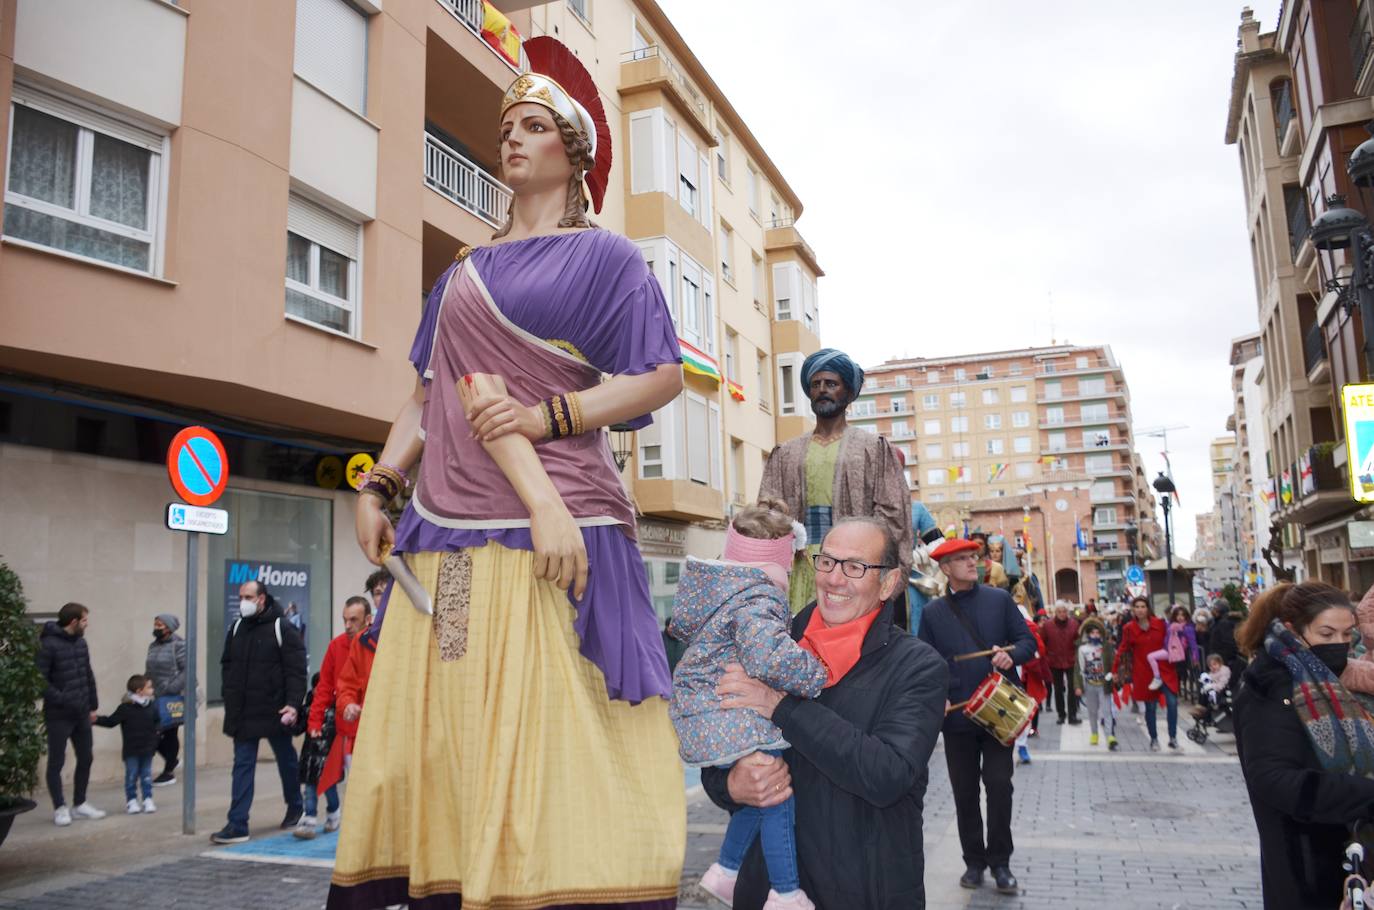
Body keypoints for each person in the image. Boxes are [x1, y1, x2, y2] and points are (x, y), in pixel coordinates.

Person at [330, 37, 686, 909]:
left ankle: (568, 885)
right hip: (449, 527)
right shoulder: (461, 272)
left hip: (562, 519)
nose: (511, 139)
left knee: (561, 722)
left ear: (573, 150)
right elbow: (424, 395)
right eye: (506, 127)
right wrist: (378, 484)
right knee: (449, 718)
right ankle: (456, 882)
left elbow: (661, 374)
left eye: (533, 125)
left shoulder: (608, 259)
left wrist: (546, 417)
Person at [703, 518, 948, 909]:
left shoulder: (917, 666)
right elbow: (713, 743)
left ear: (888, 582)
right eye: (827, 562)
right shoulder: (764, 642)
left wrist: (782, 707)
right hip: (765, 890)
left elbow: (887, 773)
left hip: (865, 891)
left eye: (855, 567)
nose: (835, 579)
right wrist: (730, 784)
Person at [672, 502, 826, 910]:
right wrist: (814, 673)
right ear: (778, 565)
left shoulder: (719, 593)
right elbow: (768, 658)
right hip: (732, 715)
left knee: (758, 797)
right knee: (776, 794)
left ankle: (724, 872)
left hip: (705, 717)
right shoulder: (758, 597)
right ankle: (786, 892)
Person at [1233, 581, 1374, 909]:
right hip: (1307, 866)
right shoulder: (1271, 687)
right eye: (1326, 634)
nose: (1338, 644)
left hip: (1350, 859)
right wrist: (1366, 795)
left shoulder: (1334, 682)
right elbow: (1274, 778)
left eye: (1346, 635)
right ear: (1293, 630)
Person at [918, 538, 1036, 895]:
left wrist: (1010, 655)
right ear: (946, 568)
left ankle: (1001, 862)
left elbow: (1027, 644)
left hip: (999, 711)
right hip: (957, 718)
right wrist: (934, 699)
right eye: (963, 559)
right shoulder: (933, 613)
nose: (973, 562)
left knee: (999, 786)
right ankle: (974, 861)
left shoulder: (1000, 600)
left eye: (974, 557)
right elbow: (927, 664)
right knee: (964, 792)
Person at [758, 348, 912, 616]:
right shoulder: (786, 453)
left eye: (831, 383)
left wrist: (861, 557)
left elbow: (893, 513)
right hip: (799, 567)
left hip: (855, 569)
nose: (822, 390)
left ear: (848, 392)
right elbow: (767, 513)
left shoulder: (873, 448)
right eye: (816, 384)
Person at [210, 580, 308, 845]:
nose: (243, 601)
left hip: (274, 709)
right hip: (243, 711)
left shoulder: (282, 627)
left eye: (248, 596)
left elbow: (296, 670)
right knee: (242, 764)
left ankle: (296, 806)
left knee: (286, 759)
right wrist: (229, 694)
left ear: (262, 599)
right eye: (241, 596)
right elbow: (227, 665)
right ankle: (237, 823)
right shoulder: (238, 627)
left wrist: (293, 703)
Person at [296, 596, 370, 838]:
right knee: (349, 782)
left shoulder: (378, 645)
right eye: (345, 620)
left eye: (353, 620)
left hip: (369, 730)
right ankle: (348, 826)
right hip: (346, 729)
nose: (348, 625)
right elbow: (325, 687)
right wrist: (314, 721)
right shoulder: (337, 646)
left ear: (367, 620)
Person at [37, 602, 105, 826]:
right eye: (84, 620)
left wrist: (92, 704)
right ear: (74, 621)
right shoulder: (47, 645)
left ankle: (80, 803)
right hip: (58, 714)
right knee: (56, 762)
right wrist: (63, 698)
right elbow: (39, 680)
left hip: (82, 712)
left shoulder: (81, 643)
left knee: (86, 757)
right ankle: (60, 807)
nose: (87, 624)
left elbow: (88, 674)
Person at [1113, 596, 1179, 751]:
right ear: (1133, 610)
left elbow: (1172, 641)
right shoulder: (1129, 628)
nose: (1140, 609)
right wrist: (1115, 669)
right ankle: (1154, 739)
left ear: (1148, 608)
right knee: (1150, 708)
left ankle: (1173, 737)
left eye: (1143, 606)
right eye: (1137, 607)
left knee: (1172, 703)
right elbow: (1123, 649)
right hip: (1143, 672)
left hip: (1165, 670)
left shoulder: (1160, 624)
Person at [95, 675, 160, 815]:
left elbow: (157, 722)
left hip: (147, 748)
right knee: (131, 775)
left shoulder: (152, 706)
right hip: (132, 749)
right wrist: (95, 720)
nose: (152, 689)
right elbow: (111, 721)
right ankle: (131, 801)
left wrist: (156, 738)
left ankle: (148, 799)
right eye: (149, 687)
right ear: (139, 691)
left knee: (146, 775)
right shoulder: (125, 708)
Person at [293, 672, 337, 840]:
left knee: (329, 789)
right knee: (310, 790)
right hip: (310, 758)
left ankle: (333, 813)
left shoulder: (336, 708)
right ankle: (309, 820)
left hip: (327, 760)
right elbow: (299, 727)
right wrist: (291, 721)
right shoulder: (310, 708)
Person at [145, 613, 187, 786]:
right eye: (155, 624)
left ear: (169, 627)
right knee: (151, 731)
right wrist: (143, 687)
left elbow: (187, 671)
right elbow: (149, 669)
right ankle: (173, 760)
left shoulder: (179, 645)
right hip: (155, 695)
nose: (157, 627)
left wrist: (171, 688)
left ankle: (169, 771)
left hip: (172, 696)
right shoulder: (153, 646)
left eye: (160, 624)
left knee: (169, 732)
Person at [1072, 617, 1117, 750]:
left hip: (1104, 684)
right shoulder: (1082, 649)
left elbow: (1113, 663)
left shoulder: (1106, 648)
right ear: (1088, 634)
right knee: (1092, 711)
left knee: (1107, 711)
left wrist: (1114, 675)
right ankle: (1094, 733)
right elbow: (1078, 668)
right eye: (1092, 633)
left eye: (1098, 633)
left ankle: (1110, 735)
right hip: (1089, 684)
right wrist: (1078, 686)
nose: (1095, 635)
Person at [1039, 601, 1080, 725]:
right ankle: (1061, 714)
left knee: (1072, 689)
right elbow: (1042, 642)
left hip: (1071, 660)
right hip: (1054, 661)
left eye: (1064, 611)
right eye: (1059, 611)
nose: (1062, 614)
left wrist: (1078, 656)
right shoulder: (1047, 625)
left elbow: (1078, 642)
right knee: (1058, 689)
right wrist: (1046, 658)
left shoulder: (1074, 624)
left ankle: (1072, 715)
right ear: (1055, 612)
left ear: (1067, 612)